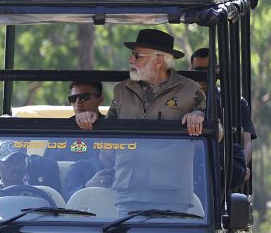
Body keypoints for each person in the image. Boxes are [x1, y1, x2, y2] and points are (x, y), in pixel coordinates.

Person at [75, 28, 205, 135]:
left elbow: (218, 133)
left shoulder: (191, 90)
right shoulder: (121, 90)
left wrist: (199, 116)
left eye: (137, 55)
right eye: (133, 54)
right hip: (124, 167)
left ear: (158, 61)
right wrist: (89, 117)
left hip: (168, 168)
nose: (131, 59)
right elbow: (108, 134)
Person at [191, 47, 256, 183]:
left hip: (223, 176)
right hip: (190, 171)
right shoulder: (184, 101)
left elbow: (247, 141)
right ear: (191, 70)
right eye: (199, 70)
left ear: (217, 69)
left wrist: (239, 169)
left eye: (208, 70)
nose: (204, 74)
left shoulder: (237, 103)